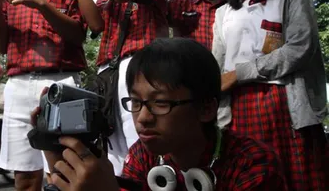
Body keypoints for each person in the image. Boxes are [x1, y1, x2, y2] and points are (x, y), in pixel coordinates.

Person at [34, 38, 287, 191]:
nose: (143, 118)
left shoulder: (254, 164)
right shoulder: (144, 156)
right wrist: (58, 161)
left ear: (206, 108)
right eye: (135, 102)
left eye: (161, 103)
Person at [213, 0, 328, 190]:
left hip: (284, 104)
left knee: (297, 177)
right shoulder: (224, 13)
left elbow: (300, 47)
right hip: (238, 108)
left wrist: (239, 74)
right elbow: (217, 64)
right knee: (252, 178)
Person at [55, 0, 171, 175]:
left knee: (145, 149)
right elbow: (95, 24)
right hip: (108, 75)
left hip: (142, 67)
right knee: (115, 152)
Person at [0, 0, 87, 191]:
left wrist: (40, 3)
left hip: (61, 83)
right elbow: (1, 46)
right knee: (26, 178)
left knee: (63, 174)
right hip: (18, 85)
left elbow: (78, 35)